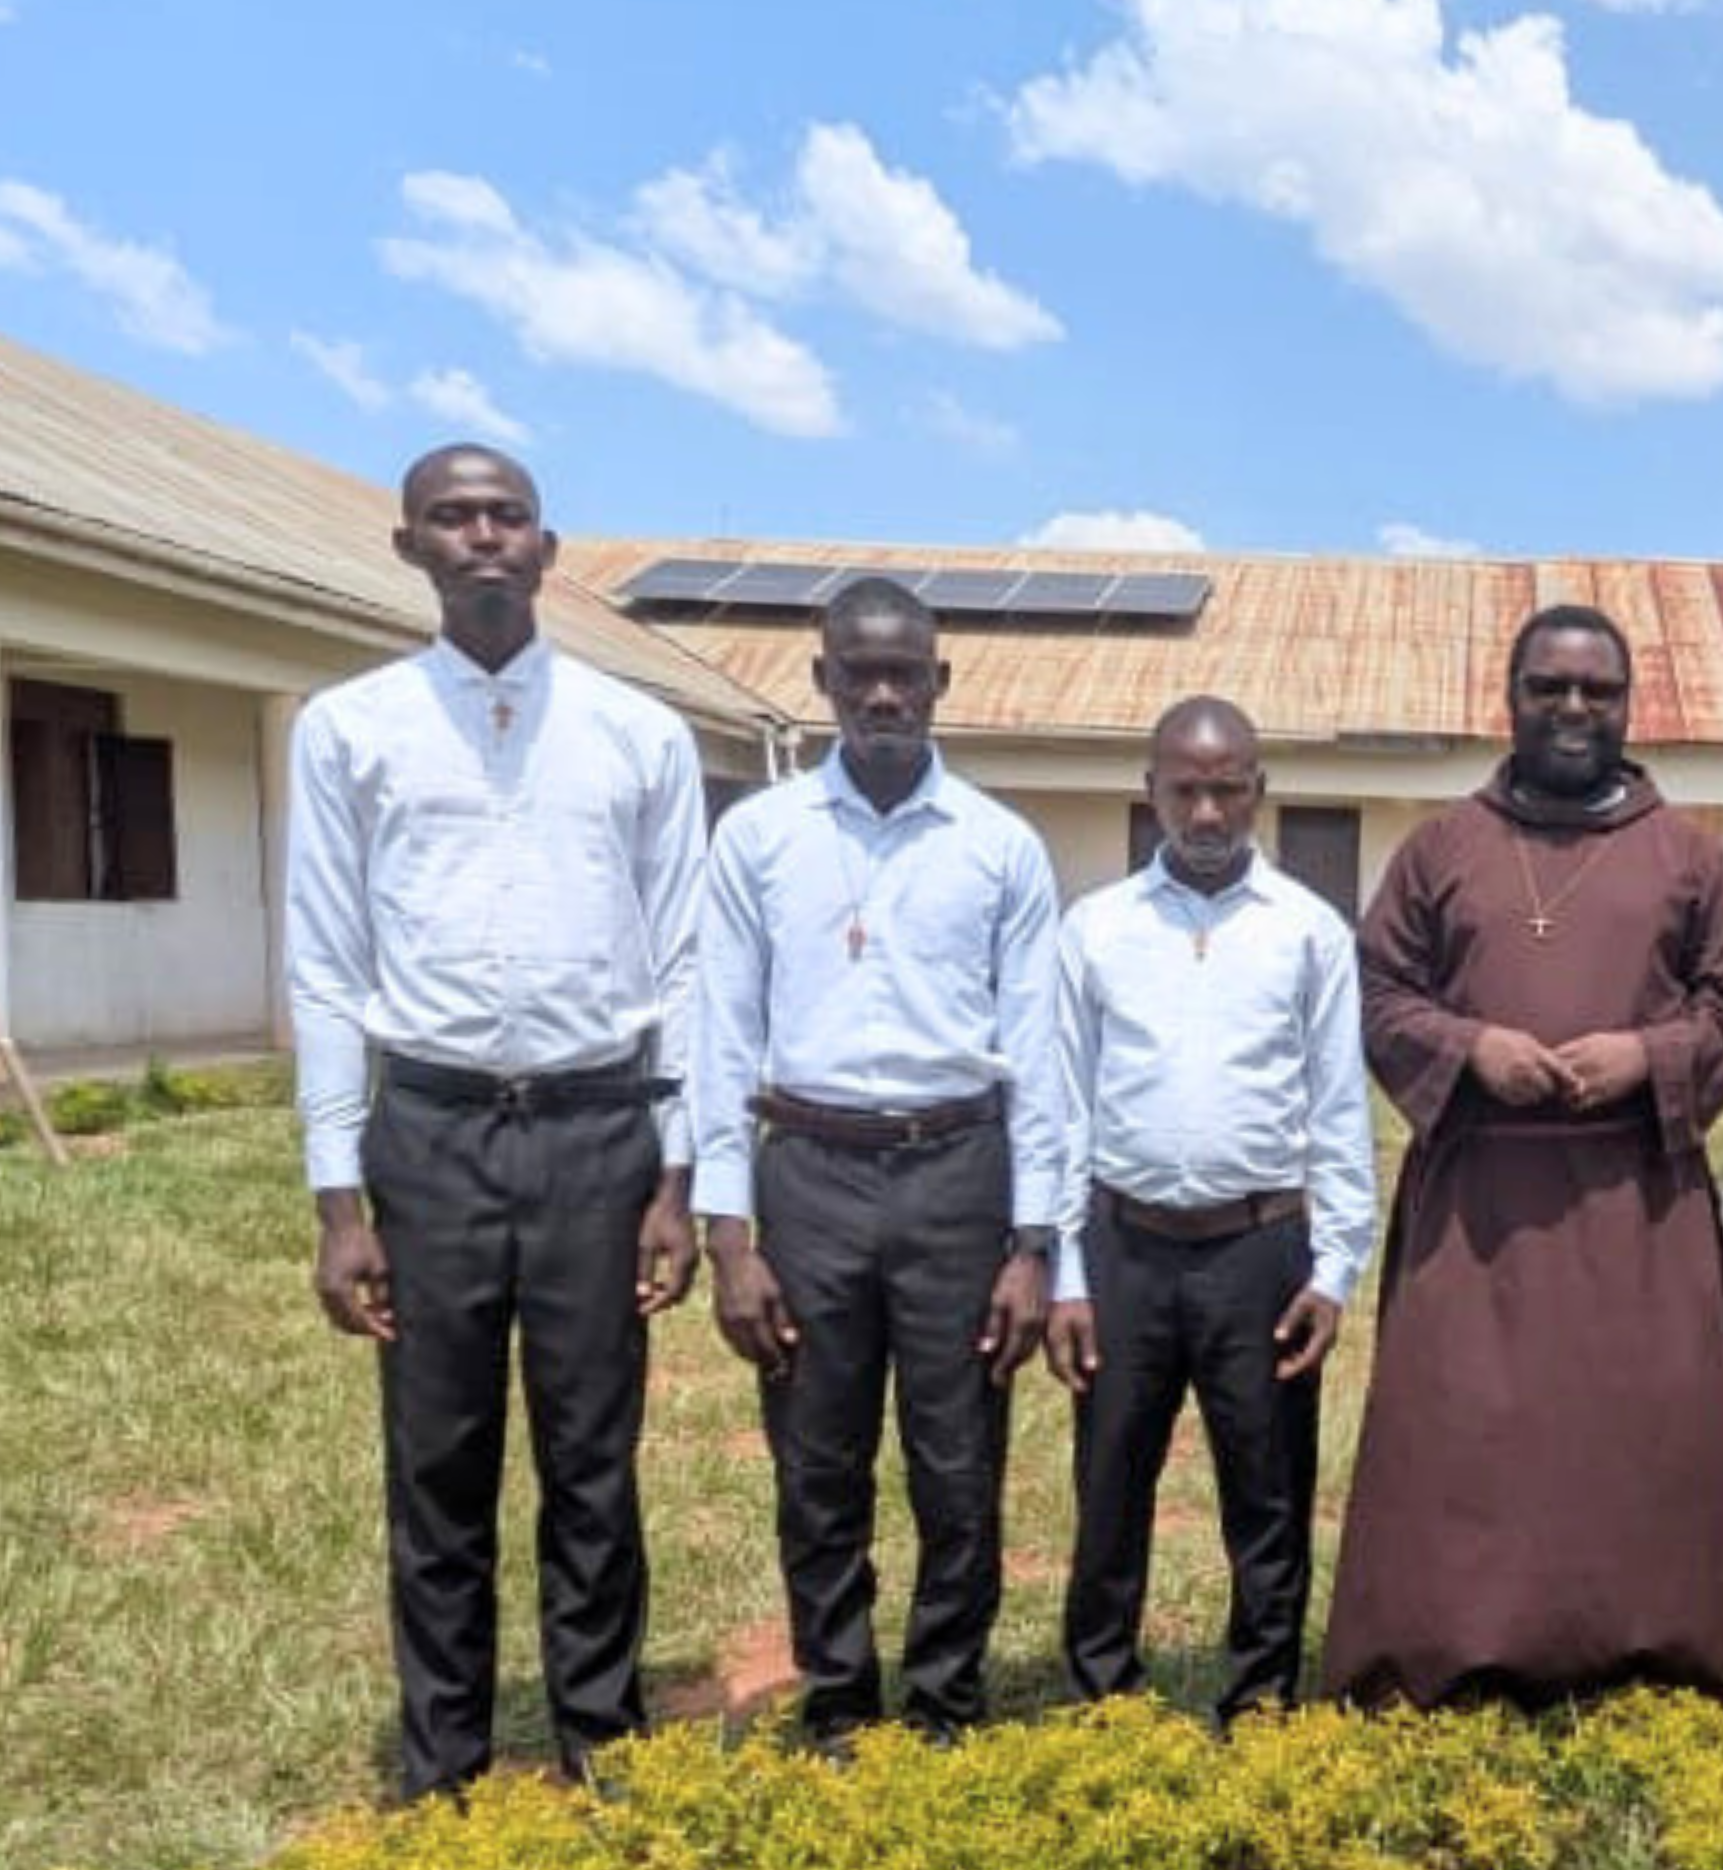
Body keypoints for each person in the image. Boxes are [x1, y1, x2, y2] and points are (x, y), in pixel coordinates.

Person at [286, 443, 705, 1800]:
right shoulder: (349, 729)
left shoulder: (638, 732)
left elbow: (684, 963)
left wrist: (677, 1179)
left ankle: (601, 1743)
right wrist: (338, 1202)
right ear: (409, 545)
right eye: (453, 517)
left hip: (597, 1132)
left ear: (547, 549)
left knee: (594, 1462)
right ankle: (444, 1768)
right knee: (438, 1463)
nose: (481, 535)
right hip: (432, 1135)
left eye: (507, 515)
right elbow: (325, 966)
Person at [1320, 603, 1723, 1709]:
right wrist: (1471, 1048)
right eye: (1550, 686)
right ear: (1511, 699)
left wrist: (1644, 1055)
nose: (1573, 707)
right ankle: (1443, 1655)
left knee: (1644, 1432)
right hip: (1480, 1197)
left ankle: (1644, 1660)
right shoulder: (1441, 849)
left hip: (1635, 1198)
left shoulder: (1688, 858)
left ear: (1628, 706)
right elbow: (1378, 994)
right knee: (1463, 1429)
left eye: (1597, 690)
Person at [690, 577, 1063, 1747]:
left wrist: (1034, 1244)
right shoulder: (760, 839)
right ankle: (840, 1701)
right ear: (824, 681)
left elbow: (1039, 1055)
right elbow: (720, 1036)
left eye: (907, 673)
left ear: (940, 681)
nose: (885, 694)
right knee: (817, 1460)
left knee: (959, 1466)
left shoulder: (1000, 847)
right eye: (861, 674)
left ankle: (947, 1700)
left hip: (959, 1173)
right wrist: (729, 1236)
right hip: (808, 1174)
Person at [1046, 697, 1375, 1724]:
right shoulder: (1096, 929)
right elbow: (1063, 1108)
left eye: (1227, 789)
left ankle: (1261, 1698)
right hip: (1124, 1249)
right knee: (1110, 1484)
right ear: (1149, 791)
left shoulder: (1309, 932)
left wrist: (1334, 1269)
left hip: (1260, 1250)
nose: (1205, 811)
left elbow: (1338, 1109)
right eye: (1184, 788)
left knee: (1267, 1491)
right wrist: (1065, 1273)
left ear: (1258, 792)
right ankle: (1103, 1695)